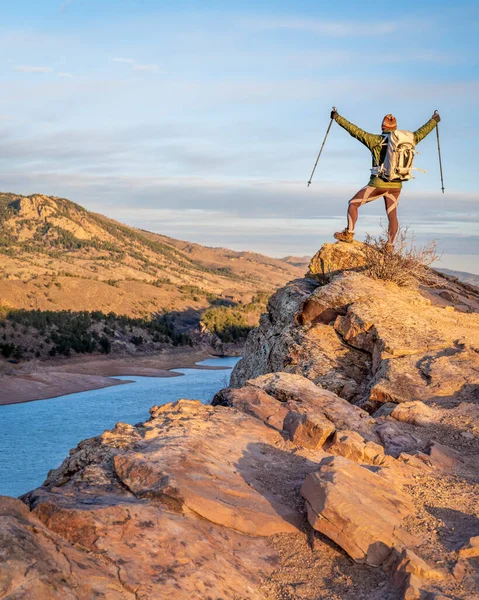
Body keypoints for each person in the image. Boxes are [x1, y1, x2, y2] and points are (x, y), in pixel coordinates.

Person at [331, 110, 440, 247]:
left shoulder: (374, 140)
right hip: (396, 185)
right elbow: (423, 131)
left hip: (378, 184)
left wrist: (337, 117)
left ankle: (349, 233)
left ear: (382, 127)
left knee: (353, 203)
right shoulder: (410, 139)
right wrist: (434, 120)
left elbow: (354, 131)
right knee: (392, 215)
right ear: (395, 128)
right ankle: (389, 246)